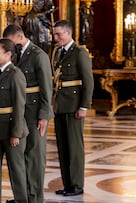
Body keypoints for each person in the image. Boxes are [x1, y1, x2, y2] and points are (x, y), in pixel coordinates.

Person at [3, 24, 53, 203]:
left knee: (34, 156)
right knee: (20, 155)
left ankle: (35, 197)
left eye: (10, 42)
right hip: (21, 111)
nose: (9, 46)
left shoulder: (39, 56)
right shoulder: (17, 55)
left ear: (19, 36)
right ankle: (23, 196)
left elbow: (47, 88)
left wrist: (44, 115)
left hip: (34, 113)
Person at [52, 20, 94, 197]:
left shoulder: (80, 53)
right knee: (63, 147)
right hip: (59, 105)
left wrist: (84, 106)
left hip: (74, 105)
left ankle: (77, 184)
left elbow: (88, 81)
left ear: (68, 33)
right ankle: (67, 184)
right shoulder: (56, 52)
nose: (56, 38)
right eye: (55, 34)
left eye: (58, 34)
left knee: (74, 147)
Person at [0, 38, 29, 203]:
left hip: (12, 130)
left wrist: (16, 133)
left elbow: (20, 106)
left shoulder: (15, 74)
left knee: (16, 170)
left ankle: (21, 200)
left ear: (8, 54)